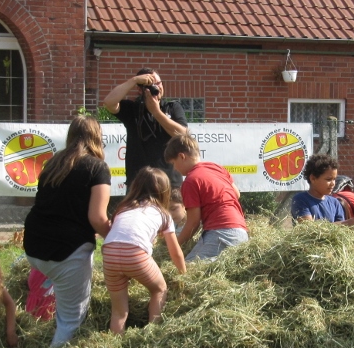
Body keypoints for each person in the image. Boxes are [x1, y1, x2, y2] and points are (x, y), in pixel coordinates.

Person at [23, 115, 112, 348]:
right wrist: (115, 238)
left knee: (62, 294)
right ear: (97, 137)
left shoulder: (53, 163)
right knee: (71, 320)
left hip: (34, 245)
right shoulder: (97, 168)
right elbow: (98, 218)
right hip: (66, 251)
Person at [102, 167, 187, 334]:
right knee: (159, 289)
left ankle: (114, 343)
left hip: (109, 253)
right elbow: (175, 251)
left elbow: (121, 233)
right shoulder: (163, 215)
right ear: (164, 191)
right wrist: (184, 274)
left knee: (119, 310)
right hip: (135, 253)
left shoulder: (123, 208)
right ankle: (152, 334)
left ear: (136, 186)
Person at [164, 133, 249, 261]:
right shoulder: (216, 168)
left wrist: (174, 246)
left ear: (182, 156)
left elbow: (193, 223)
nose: (175, 169)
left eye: (173, 163)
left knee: (187, 271)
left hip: (221, 234)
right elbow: (236, 194)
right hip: (241, 232)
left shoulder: (191, 180)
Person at [102, 67, 188, 188]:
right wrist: (133, 81)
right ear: (140, 90)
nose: (156, 87)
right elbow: (109, 102)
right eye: (151, 85)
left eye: (158, 83)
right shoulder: (133, 109)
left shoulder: (172, 107)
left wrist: (156, 112)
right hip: (139, 183)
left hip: (169, 182)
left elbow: (182, 134)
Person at [291, 154, 345, 223]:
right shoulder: (300, 200)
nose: (333, 183)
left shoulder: (335, 203)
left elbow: (341, 229)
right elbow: (309, 229)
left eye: (334, 179)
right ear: (313, 178)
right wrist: (348, 223)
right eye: (328, 179)